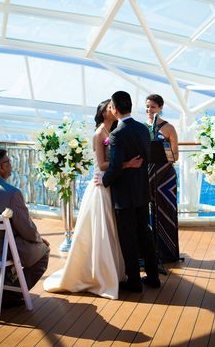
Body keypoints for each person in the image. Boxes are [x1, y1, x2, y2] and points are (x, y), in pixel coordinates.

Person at [44, 99, 142, 299]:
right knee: (101, 232)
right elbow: (102, 164)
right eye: (109, 107)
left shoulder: (113, 131)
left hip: (110, 185)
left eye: (113, 106)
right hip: (100, 187)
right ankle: (100, 274)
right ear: (103, 112)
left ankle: (114, 271)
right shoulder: (99, 134)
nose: (113, 110)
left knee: (112, 231)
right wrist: (127, 164)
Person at [101, 91, 160, 292]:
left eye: (110, 106)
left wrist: (104, 181)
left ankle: (134, 281)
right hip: (142, 190)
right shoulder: (143, 129)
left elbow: (115, 167)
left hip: (124, 194)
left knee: (128, 238)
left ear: (115, 109)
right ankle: (153, 277)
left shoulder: (117, 134)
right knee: (145, 233)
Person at [0, 148, 50, 306]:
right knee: (43, 249)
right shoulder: (11, 193)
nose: (11, 166)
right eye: (9, 162)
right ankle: (12, 294)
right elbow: (27, 230)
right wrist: (39, 240)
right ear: (0, 167)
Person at [145, 94, 180, 262]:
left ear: (160, 108)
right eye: (147, 106)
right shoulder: (143, 127)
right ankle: (151, 253)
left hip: (165, 177)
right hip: (147, 175)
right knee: (147, 213)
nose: (149, 109)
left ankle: (168, 252)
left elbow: (175, 156)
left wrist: (163, 148)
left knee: (167, 211)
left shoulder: (169, 128)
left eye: (152, 106)